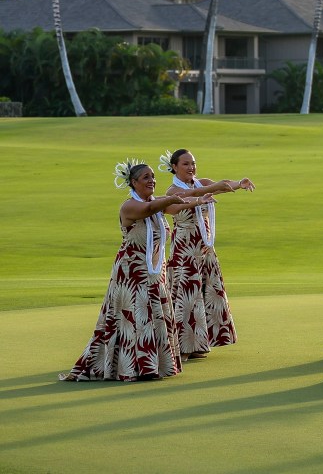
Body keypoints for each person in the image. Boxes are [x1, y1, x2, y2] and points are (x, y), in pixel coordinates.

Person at [60, 160, 208, 382]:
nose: (152, 181)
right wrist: (171, 199)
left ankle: (152, 366)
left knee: (153, 317)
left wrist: (197, 200)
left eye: (153, 177)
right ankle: (129, 367)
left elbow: (175, 206)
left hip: (154, 274)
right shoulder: (129, 206)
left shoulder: (158, 203)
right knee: (134, 318)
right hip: (131, 275)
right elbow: (148, 209)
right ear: (133, 182)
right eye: (146, 177)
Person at [159, 148, 255, 359]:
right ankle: (181, 347)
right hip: (185, 249)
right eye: (186, 164)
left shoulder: (200, 183)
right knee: (185, 296)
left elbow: (222, 186)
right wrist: (214, 187)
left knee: (205, 293)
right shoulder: (172, 191)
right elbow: (187, 197)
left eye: (193, 163)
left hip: (204, 247)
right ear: (174, 167)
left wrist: (239, 184)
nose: (191, 167)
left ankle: (198, 344)